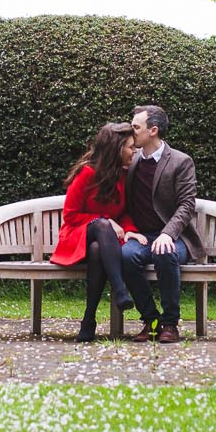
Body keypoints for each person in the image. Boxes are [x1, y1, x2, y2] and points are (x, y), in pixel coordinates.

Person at [50, 121, 145, 342]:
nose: (134, 151)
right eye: (131, 147)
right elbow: (71, 215)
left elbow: (126, 213)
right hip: (75, 235)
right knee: (101, 226)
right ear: (116, 148)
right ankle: (119, 289)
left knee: (96, 250)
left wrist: (129, 230)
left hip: (103, 244)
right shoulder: (87, 173)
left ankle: (89, 319)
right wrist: (105, 220)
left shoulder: (123, 175)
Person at [120, 103, 205, 343]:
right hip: (142, 237)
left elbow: (187, 204)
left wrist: (168, 234)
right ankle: (151, 320)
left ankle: (170, 323)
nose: (131, 131)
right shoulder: (131, 160)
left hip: (174, 237)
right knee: (125, 256)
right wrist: (128, 230)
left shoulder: (180, 161)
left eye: (136, 127)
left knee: (164, 253)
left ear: (153, 130)